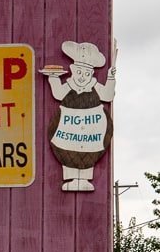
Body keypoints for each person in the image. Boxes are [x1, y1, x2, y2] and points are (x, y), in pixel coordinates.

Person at [42, 40, 116, 191]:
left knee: (90, 150)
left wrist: (110, 78)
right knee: (66, 149)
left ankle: (84, 180)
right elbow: (58, 93)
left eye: (87, 73)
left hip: (93, 126)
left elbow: (108, 95)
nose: (82, 77)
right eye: (79, 73)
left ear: (91, 74)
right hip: (68, 126)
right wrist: (53, 78)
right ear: (74, 71)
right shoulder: (70, 84)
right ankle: (71, 178)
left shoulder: (94, 85)